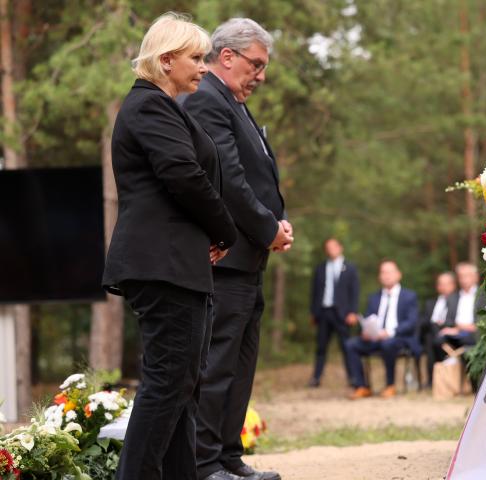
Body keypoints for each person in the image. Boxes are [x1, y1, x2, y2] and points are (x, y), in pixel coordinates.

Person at [102, 13, 237, 480]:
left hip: (175, 263)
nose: (203, 67)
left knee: (182, 385)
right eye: (196, 58)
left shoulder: (165, 108)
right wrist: (226, 230)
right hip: (162, 262)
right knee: (167, 383)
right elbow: (184, 175)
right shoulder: (148, 107)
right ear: (166, 60)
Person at [182, 18, 289, 480]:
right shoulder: (207, 101)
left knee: (241, 364)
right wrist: (268, 226)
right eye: (256, 64)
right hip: (227, 259)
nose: (261, 75)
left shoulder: (233, 102)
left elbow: (255, 171)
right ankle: (204, 465)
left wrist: (273, 226)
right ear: (227, 57)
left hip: (250, 258)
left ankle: (228, 455)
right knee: (219, 363)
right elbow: (228, 180)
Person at [345, 260, 420, 399]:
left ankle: (390, 385)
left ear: (399, 275)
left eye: (390, 272)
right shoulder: (374, 297)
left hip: (399, 338)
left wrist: (389, 332)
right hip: (375, 337)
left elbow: (411, 322)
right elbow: (368, 318)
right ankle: (361, 386)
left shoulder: (409, 296)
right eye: (383, 272)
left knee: (388, 343)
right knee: (350, 345)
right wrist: (367, 331)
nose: (386, 275)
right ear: (379, 277)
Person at [308, 238, 360, 387]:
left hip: (342, 314)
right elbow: (314, 292)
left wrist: (353, 312)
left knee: (346, 346)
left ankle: (353, 378)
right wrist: (313, 312)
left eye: (333, 246)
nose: (331, 250)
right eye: (328, 247)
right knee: (321, 347)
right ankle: (316, 377)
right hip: (323, 312)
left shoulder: (350, 268)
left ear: (340, 248)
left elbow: (354, 292)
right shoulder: (320, 268)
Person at [432, 262, 484, 359]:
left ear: (475, 277)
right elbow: (447, 321)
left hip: (474, 334)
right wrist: (451, 328)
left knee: (467, 341)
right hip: (455, 334)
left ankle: (466, 371)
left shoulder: (484, 296)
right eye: (461, 276)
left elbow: (484, 321)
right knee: (437, 342)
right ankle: (446, 370)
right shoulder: (453, 297)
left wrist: (461, 327)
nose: (464, 280)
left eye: (467, 276)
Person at [419, 272, 458, 387]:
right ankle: (432, 380)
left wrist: (443, 325)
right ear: (438, 287)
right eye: (441, 284)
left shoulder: (458, 302)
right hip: (431, 336)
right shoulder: (430, 303)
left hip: (450, 335)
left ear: (453, 285)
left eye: (447, 284)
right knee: (430, 337)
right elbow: (423, 321)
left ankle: (435, 380)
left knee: (433, 338)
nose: (444, 287)